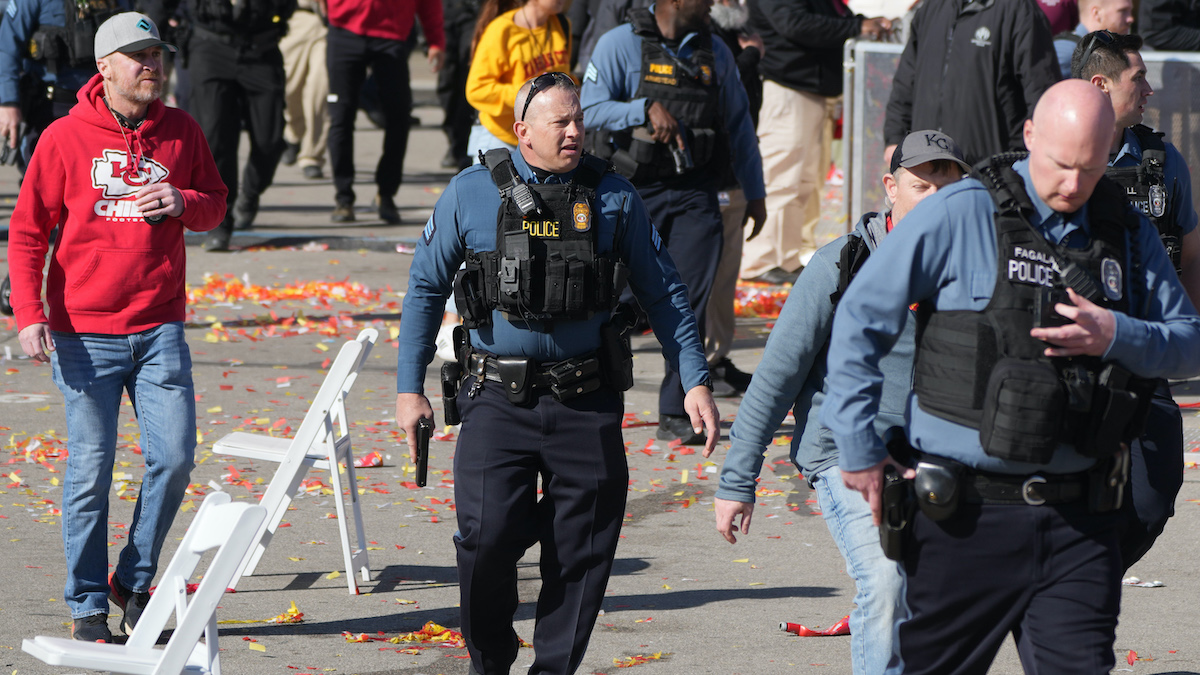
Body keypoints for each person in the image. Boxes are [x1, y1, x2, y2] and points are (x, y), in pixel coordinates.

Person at [822, 80, 1200, 673]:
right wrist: (858, 448)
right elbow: (860, 321)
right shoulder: (959, 211)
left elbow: (1189, 341)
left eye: (1092, 167)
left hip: (1081, 520)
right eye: (1060, 164)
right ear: (1029, 137)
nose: (1073, 185)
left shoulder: (1125, 231)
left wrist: (1117, 335)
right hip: (965, 517)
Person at [394, 73, 719, 675]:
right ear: (523, 131)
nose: (575, 132)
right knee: (486, 539)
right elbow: (423, 289)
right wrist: (408, 388)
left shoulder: (615, 196)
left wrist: (694, 377)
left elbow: (667, 291)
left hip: (586, 400)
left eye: (579, 121)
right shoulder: (469, 193)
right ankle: (490, 659)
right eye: (560, 123)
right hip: (497, 398)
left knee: (582, 551)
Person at [715, 129, 969, 675]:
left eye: (946, 186)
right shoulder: (842, 264)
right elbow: (776, 377)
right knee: (885, 578)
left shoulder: (977, 271)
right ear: (890, 188)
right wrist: (738, 480)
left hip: (939, 454)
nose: (934, 198)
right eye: (920, 185)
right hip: (845, 452)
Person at [8, 12, 226, 643]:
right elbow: (27, 234)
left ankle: (131, 579)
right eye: (138, 57)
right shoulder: (63, 137)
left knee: (177, 457)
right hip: (83, 333)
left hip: (159, 328)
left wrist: (184, 203)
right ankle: (86, 606)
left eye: (156, 54)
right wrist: (30, 317)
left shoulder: (181, 130)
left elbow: (214, 202)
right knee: (90, 474)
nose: (152, 66)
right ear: (104, 67)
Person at [581, 0, 765, 444]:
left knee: (688, 299)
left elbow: (740, 126)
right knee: (614, 300)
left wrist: (756, 192)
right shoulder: (620, 44)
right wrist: (642, 109)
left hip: (695, 193)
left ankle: (677, 408)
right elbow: (587, 107)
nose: (714, 6)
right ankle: (592, 400)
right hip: (629, 191)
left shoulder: (715, 51)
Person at [1073, 30, 1200, 569]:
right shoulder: (1048, 154)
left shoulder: (1161, 159)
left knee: (1152, 497)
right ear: (1101, 84)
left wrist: (1185, 333)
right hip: (1069, 361)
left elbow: (1191, 254)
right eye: (1138, 78)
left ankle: (1083, 576)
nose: (1148, 89)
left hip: (1145, 356)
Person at [739, 0, 891, 284]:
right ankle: (762, 260)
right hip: (788, 88)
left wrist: (858, 21)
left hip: (813, 91)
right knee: (782, 178)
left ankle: (788, 256)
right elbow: (793, 24)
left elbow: (828, 16)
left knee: (806, 180)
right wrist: (857, 26)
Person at [143, 0, 295, 251]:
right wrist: (159, 47)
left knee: (271, 140)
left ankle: (251, 192)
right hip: (209, 45)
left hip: (261, 47)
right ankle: (222, 222)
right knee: (216, 140)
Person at [883, 0, 1060, 166]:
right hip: (927, 166)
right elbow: (905, 84)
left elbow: (1042, 95)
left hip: (990, 173)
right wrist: (894, 138)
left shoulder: (1019, 11)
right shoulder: (932, 8)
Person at [325, 0, 445, 224]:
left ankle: (386, 193)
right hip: (345, 31)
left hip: (391, 34)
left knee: (399, 116)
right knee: (340, 117)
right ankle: (344, 197)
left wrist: (435, 39)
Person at [705, 0, 760, 397]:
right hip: (708, 180)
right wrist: (752, 54)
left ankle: (717, 359)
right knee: (707, 278)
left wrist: (755, 191)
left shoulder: (729, 34)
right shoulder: (701, 36)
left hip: (735, 176)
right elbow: (721, 96)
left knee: (725, 278)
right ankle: (703, 365)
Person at [465, 0, 572, 159]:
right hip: (501, 139)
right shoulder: (502, 30)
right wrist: (530, 95)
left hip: (542, 141)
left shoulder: (562, 24)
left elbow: (562, 75)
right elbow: (477, 89)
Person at [279, 0, 329, 180]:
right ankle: (293, 133)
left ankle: (312, 156)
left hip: (327, 22)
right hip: (295, 19)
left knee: (319, 90)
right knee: (289, 88)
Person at [437, 0, 481, 170]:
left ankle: (462, 146)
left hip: (474, 13)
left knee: (467, 82)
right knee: (447, 84)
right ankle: (454, 139)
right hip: (445, 12)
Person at [1053, 0, 1133, 79]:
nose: (1130, 19)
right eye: (1123, 11)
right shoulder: (1065, 53)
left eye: (1130, 11)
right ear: (1097, 13)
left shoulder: (1105, 49)